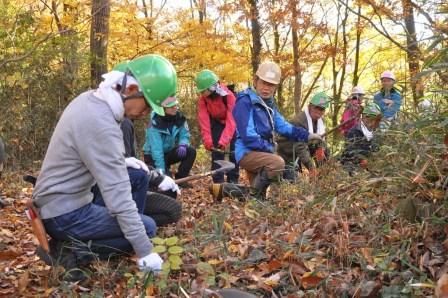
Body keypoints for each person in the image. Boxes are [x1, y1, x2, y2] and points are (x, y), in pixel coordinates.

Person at [31, 54, 179, 279]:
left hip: (60, 200)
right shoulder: (100, 124)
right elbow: (118, 196)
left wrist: (125, 161)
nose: (146, 113)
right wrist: (145, 251)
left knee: (138, 177)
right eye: (148, 104)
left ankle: (112, 232)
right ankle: (72, 252)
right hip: (64, 213)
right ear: (130, 89)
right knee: (147, 227)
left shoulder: (90, 100)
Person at [233, 61, 322, 199]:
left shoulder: (269, 105)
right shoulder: (245, 102)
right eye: (264, 83)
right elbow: (248, 136)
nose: (266, 88)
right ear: (255, 81)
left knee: (261, 192)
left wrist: (308, 135)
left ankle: (223, 190)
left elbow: (284, 127)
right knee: (277, 163)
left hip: (261, 152)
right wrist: (270, 148)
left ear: (275, 87)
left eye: (271, 85)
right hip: (247, 152)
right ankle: (253, 198)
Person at [195, 69, 239, 184]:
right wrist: (207, 139)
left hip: (233, 122)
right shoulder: (203, 100)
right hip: (217, 121)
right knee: (216, 152)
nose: (202, 94)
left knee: (235, 151)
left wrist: (224, 140)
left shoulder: (229, 96)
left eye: (203, 91)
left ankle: (233, 181)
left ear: (212, 88)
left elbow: (231, 120)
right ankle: (218, 183)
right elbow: (204, 120)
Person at [277, 92, 330, 181]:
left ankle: (322, 177)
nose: (319, 111)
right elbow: (300, 147)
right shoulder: (299, 121)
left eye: (322, 109)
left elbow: (320, 141)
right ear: (310, 106)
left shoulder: (319, 122)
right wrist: (311, 168)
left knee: (325, 149)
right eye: (316, 107)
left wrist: (321, 156)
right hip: (287, 154)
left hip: (300, 151)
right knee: (293, 182)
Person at [143, 97, 196, 185]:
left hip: (167, 153)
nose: (175, 108)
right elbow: (156, 151)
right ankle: (163, 174)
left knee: (191, 151)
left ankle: (181, 180)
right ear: (163, 109)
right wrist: (162, 171)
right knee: (168, 183)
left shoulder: (179, 118)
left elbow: (184, 134)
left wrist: (183, 144)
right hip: (152, 156)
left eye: (175, 105)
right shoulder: (154, 124)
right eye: (171, 107)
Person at [340, 102, 383, 175]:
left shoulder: (376, 134)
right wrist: (361, 159)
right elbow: (349, 152)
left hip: (369, 165)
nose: (371, 121)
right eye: (368, 117)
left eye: (374, 119)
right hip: (352, 164)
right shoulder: (354, 131)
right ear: (363, 117)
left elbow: (377, 151)